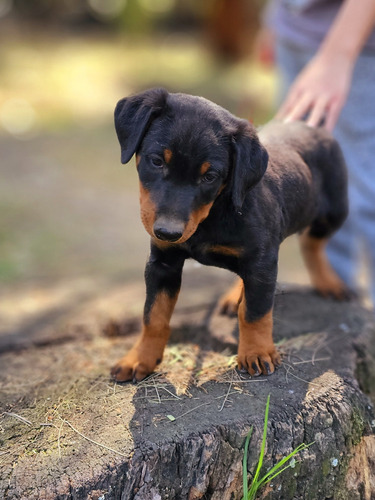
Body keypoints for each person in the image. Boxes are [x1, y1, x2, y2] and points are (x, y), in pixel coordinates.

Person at [264, 0, 375, 308]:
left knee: (365, 193)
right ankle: (343, 314)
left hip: (359, 46)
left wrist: (336, 56)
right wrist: (274, 19)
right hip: (296, 32)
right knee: (320, 183)